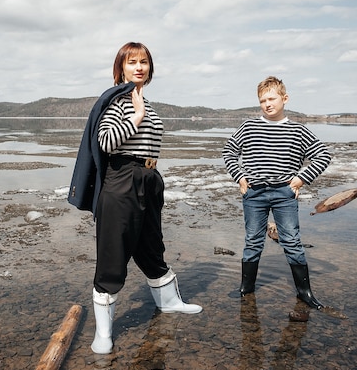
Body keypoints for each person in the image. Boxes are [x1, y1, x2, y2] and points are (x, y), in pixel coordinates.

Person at [68, 42, 202, 355]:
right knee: (113, 255)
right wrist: (137, 116)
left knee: (151, 245)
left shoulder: (145, 101)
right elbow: (105, 142)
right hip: (122, 181)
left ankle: (169, 303)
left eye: (144, 62)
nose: (139, 67)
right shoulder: (117, 101)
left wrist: (143, 112)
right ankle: (104, 332)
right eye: (132, 62)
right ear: (121, 67)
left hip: (148, 180)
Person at [222, 76, 331, 309]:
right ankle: (246, 288)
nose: (267, 104)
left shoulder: (298, 130)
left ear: (285, 98)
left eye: (271, 99)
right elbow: (229, 151)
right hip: (254, 193)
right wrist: (240, 178)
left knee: (291, 240)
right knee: (253, 240)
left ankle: (305, 292)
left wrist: (301, 179)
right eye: (262, 100)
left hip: (284, 194)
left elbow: (323, 155)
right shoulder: (249, 126)